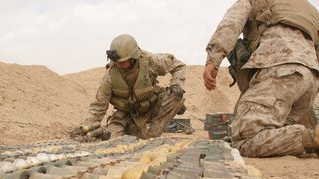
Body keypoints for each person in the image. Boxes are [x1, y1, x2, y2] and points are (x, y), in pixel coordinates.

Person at [203, 0, 319, 157]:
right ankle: (309, 140)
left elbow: (232, 22)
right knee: (276, 132)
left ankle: (313, 137)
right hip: (310, 78)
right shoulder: (309, 9)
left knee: (245, 140)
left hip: (278, 66)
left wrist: (213, 58)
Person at [71, 34, 186, 141]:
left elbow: (178, 66)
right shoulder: (110, 76)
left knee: (175, 97)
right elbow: (98, 106)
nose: (118, 64)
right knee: (113, 139)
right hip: (127, 116)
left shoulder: (151, 62)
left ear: (133, 57)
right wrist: (85, 127)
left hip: (152, 107)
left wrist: (176, 84)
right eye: (115, 61)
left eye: (121, 61)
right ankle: (131, 133)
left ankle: (152, 134)